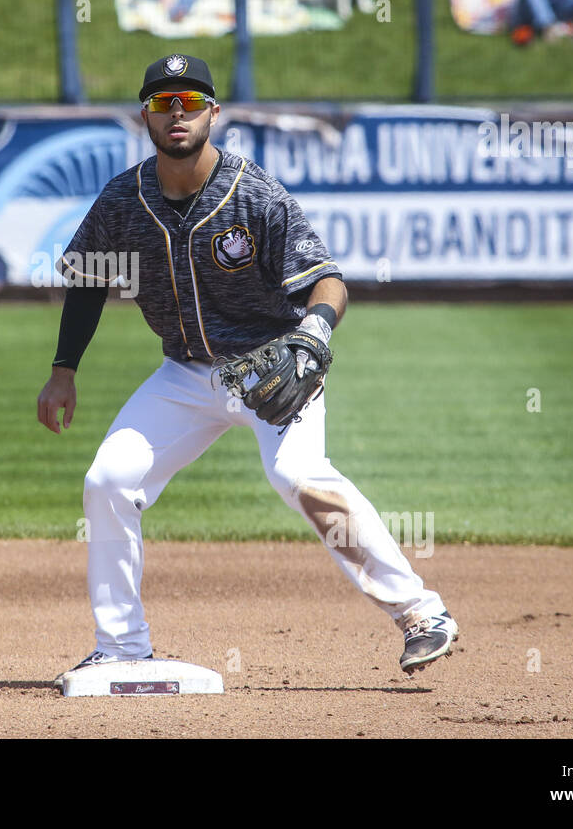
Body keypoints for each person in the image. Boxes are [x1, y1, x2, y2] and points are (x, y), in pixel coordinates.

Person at [37, 55, 459, 684]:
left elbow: (328, 281)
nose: (175, 114)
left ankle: (422, 614)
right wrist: (63, 369)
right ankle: (122, 646)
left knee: (299, 474)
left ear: (213, 111)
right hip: (184, 374)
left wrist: (312, 338)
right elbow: (90, 284)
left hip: (273, 364)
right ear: (144, 118)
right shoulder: (124, 198)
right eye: (161, 104)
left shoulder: (252, 191)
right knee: (107, 481)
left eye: (188, 101)